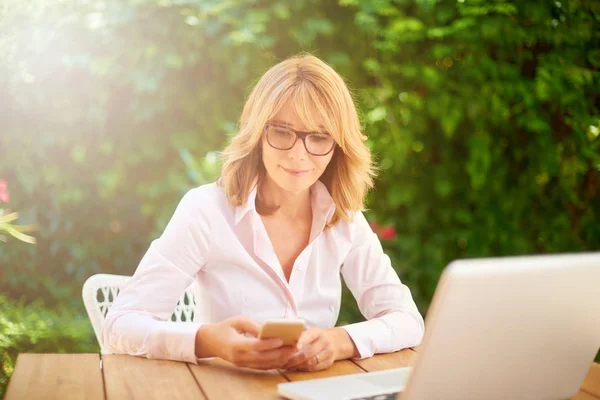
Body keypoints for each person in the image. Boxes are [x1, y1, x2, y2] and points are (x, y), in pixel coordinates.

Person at [102, 53, 424, 372]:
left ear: (338, 146)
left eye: (319, 137)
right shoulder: (205, 211)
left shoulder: (344, 219)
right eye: (283, 132)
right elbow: (119, 325)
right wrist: (210, 342)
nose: (299, 155)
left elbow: (407, 320)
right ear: (258, 134)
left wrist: (340, 341)